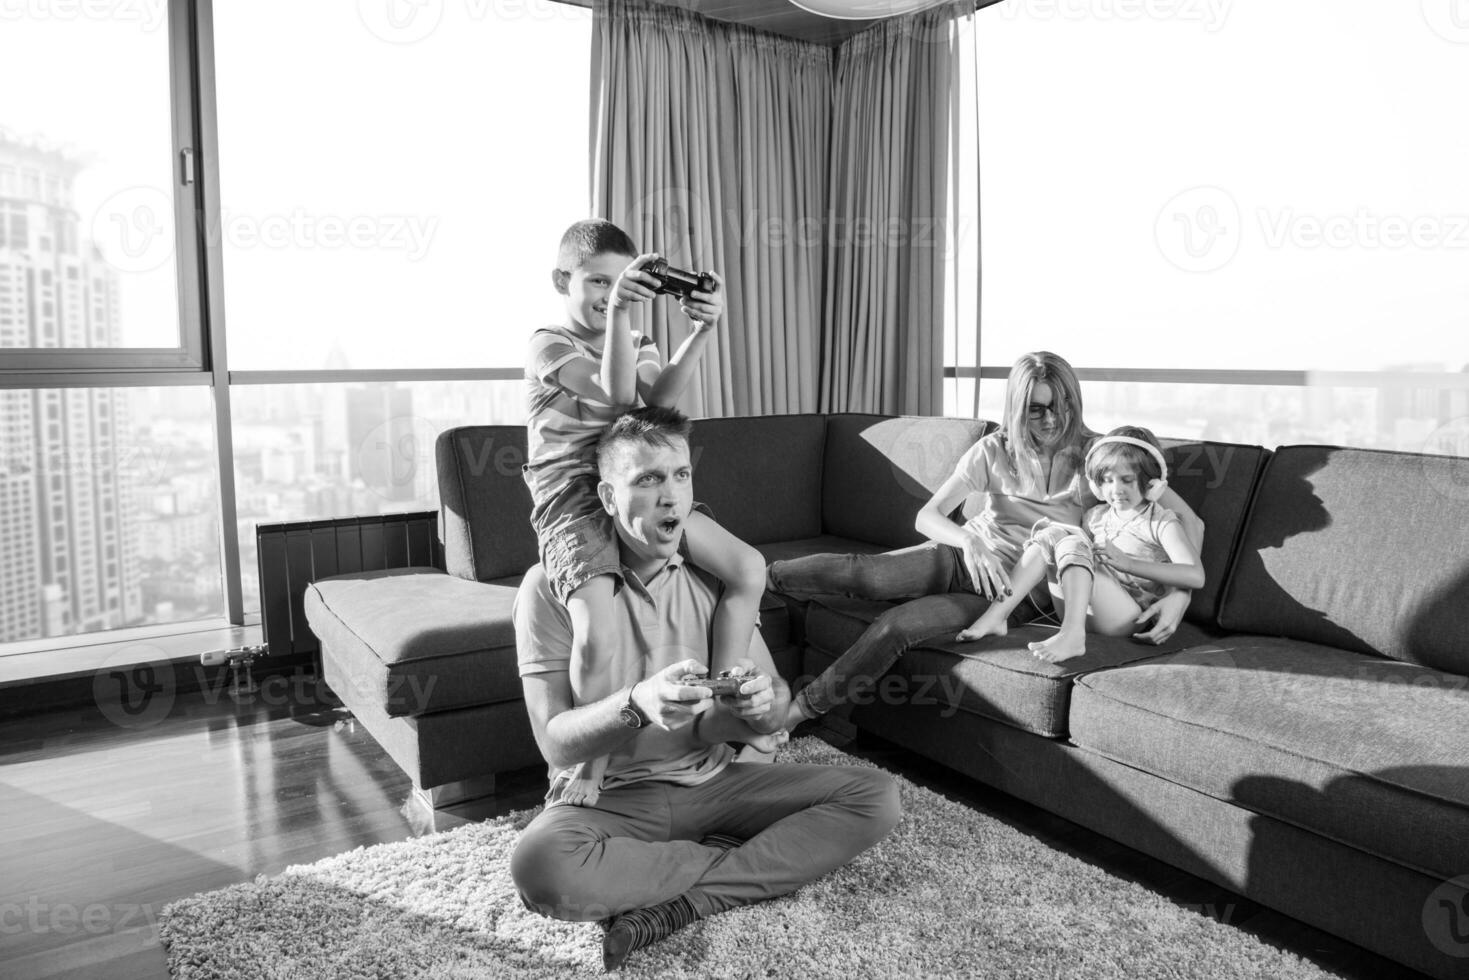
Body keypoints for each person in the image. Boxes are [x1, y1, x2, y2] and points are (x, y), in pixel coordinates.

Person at [511, 407, 902, 972]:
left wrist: (761, 705)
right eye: (647, 480)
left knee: (876, 797)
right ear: (606, 497)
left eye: (680, 475)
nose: (671, 497)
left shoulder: (712, 577)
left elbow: (765, 714)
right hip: (613, 803)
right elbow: (555, 743)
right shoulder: (549, 588)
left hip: (717, 782)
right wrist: (636, 705)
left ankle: (680, 903)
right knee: (540, 868)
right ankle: (743, 862)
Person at [767, 351, 1205, 731]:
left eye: (1059, 406)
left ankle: (801, 711)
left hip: (1010, 594)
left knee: (896, 627)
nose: (1050, 420)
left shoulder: (1102, 459)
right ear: (1017, 408)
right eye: (1035, 410)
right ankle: (761, 577)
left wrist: (1178, 596)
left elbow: (1191, 522)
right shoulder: (994, 450)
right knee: (866, 576)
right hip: (962, 558)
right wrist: (968, 541)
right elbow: (928, 515)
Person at [524, 220, 767, 803]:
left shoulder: (637, 341)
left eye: (622, 284)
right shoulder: (549, 342)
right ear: (563, 280)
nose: (610, 295)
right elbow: (615, 395)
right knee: (596, 634)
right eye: (598, 283)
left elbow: (657, 400)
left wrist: (703, 331)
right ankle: (591, 759)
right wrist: (623, 317)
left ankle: (723, 698)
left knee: (748, 569)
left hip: (638, 487)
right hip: (576, 497)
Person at [956, 426, 1205, 663]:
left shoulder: (1161, 521)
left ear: (1153, 485)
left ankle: (1072, 635)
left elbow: (1195, 575)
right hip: (1081, 607)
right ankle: (997, 616)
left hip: (1128, 617)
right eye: (1107, 480)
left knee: (1070, 538)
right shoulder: (1095, 516)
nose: (1116, 489)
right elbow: (1074, 559)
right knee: (1053, 532)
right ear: (1096, 485)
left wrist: (1128, 564)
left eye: (1127, 480)